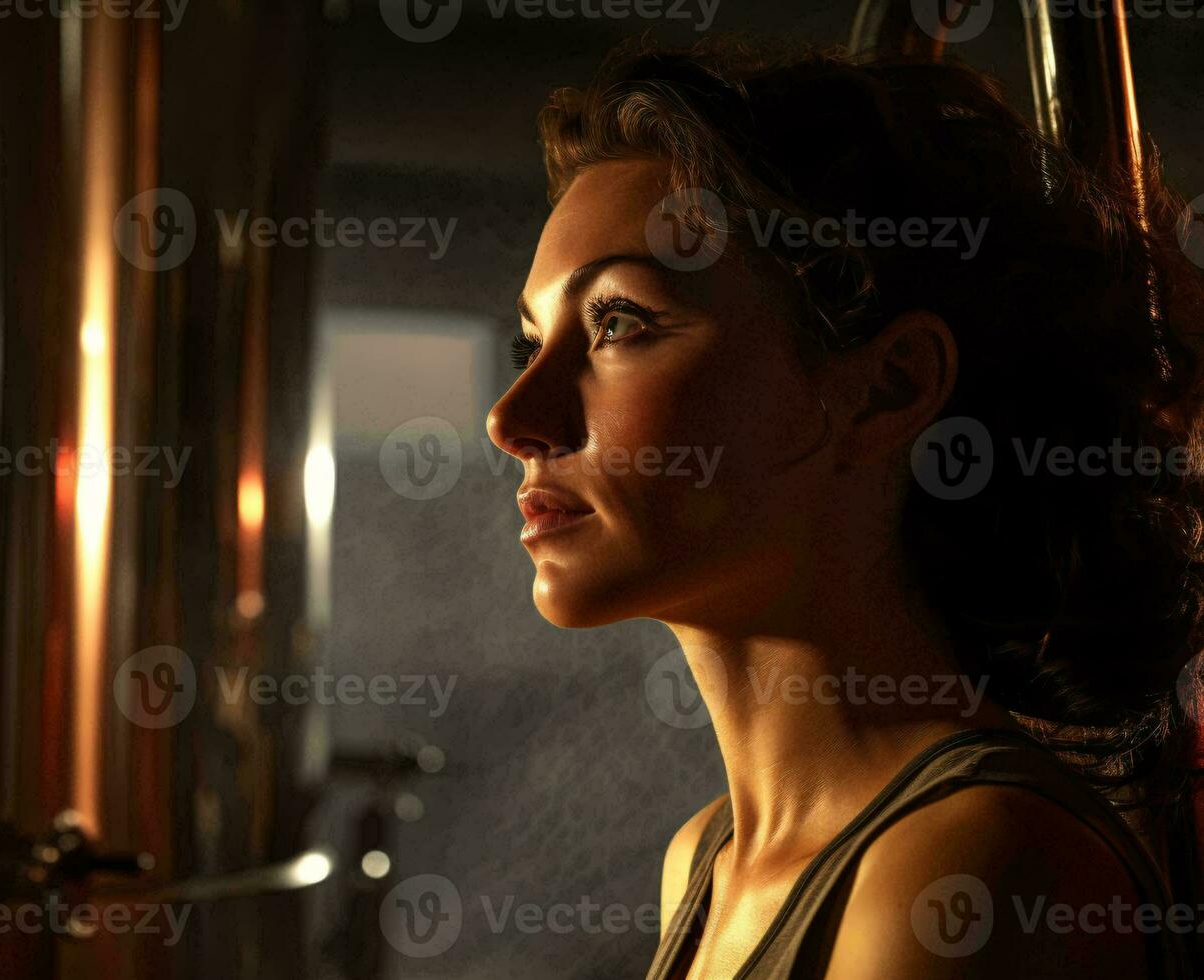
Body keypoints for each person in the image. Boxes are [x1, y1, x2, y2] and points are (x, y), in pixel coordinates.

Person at [486, 39, 1204, 977]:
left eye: (618, 321)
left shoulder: (964, 874)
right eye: (528, 345)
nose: (512, 420)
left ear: (883, 389)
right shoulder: (704, 861)